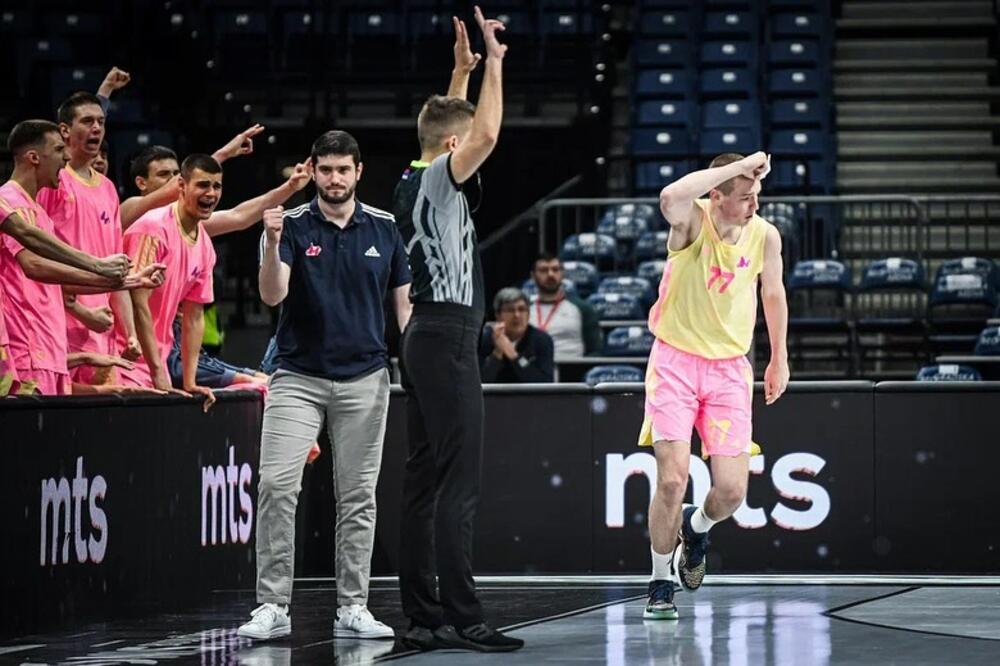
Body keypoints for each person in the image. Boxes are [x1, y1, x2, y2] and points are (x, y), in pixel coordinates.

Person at [237, 130, 411, 641]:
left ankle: (353, 606)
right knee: (275, 486)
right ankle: (272, 604)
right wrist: (269, 243)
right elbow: (273, 295)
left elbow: (405, 308)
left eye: (343, 169)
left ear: (359, 171)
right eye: (325, 169)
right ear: (311, 171)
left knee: (358, 496)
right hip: (296, 375)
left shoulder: (384, 227)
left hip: (365, 377)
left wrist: (418, 365)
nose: (334, 178)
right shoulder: (288, 224)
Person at [391, 8, 523, 652]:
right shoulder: (444, 178)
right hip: (444, 337)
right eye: (461, 146)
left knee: (422, 481)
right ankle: (466, 616)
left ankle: (422, 614)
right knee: (457, 482)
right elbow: (482, 137)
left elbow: (447, 125)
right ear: (451, 149)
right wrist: (495, 63)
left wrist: (460, 74)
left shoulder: (414, 176)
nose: (472, 154)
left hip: (426, 337)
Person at [639, 151, 789, 620]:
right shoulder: (692, 220)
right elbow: (670, 194)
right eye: (745, 197)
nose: (754, 204)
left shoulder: (765, 235)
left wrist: (778, 356)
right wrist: (736, 167)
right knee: (671, 479)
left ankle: (697, 528)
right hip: (675, 363)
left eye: (757, 195)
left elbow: (773, 292)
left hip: (729, 369)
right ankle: (661, 581)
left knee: (730, 493)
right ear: (717, 195)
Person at [0, 120, 163, 396]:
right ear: (34, 157)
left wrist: (127, 282)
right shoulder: (8, 199)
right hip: (25, 347)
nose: (66, 156)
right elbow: (34, 265)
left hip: (50, 348)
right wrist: (99, 266)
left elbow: (58, 283)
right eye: (59, 149)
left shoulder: (40, 213)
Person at [37, 92, 143, 387]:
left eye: (101, 121)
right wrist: (80, 311)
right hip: (59, 326)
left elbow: (116, 271)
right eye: (87, 121)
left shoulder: (108, 188)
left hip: (102, 332)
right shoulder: (53, 182)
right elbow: (35, 265)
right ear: (64, 131)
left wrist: (130, 332)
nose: (97, 127)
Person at [116, 154, 226, 408]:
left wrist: (189, 382)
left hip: (158, 361)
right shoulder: (153, 229)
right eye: (202, 185)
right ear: (181, 186)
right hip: (123, 360)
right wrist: (157, 372)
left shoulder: (205, 246)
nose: (211, 193)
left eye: (216, 186)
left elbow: (194, 315)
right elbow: (137, 301)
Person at [528, 253, 601, 358]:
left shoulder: (583, 309)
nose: (550, 274)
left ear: (562, 274)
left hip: (571, 371)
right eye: (544, 270)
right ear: (533, 276)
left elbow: (595, 351)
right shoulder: (523, 310)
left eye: (555, 270)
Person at [480, 287, 554, 383]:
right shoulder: (484, 338)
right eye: (510, 310)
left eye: (522, 309)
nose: (517, 315)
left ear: (528, 314)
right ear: (497, 315)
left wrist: (514, 356)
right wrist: (497, 353)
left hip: (529, 398)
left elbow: (544, 383)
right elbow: (480, 382)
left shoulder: (542, 340)